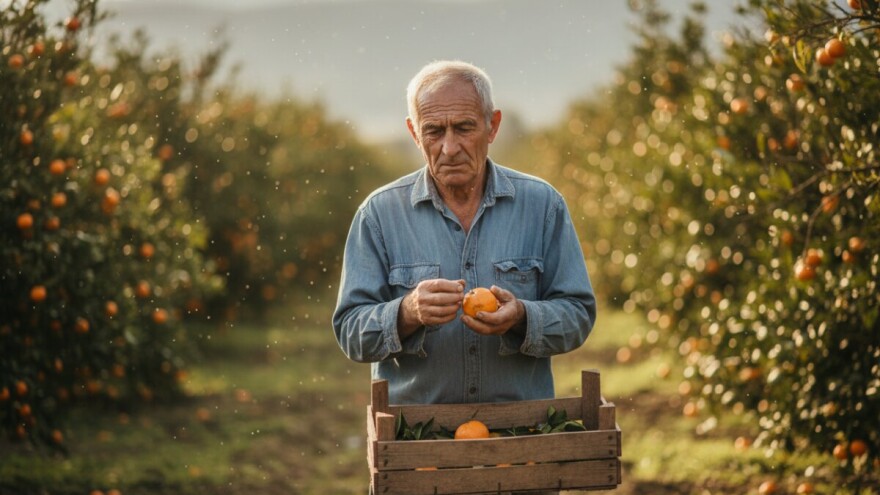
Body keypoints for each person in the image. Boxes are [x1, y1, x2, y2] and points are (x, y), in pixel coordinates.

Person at [332, 60, 596, 407]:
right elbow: (350, 331)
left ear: (492, 126)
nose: (449, 147)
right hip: (417, 438)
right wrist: (407, 312)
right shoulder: (379, 215)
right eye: (434, 131)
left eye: (464, 127)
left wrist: (522, 317)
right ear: (414, 133)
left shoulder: (542, 206)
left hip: (520, 432)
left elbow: (578, 313)